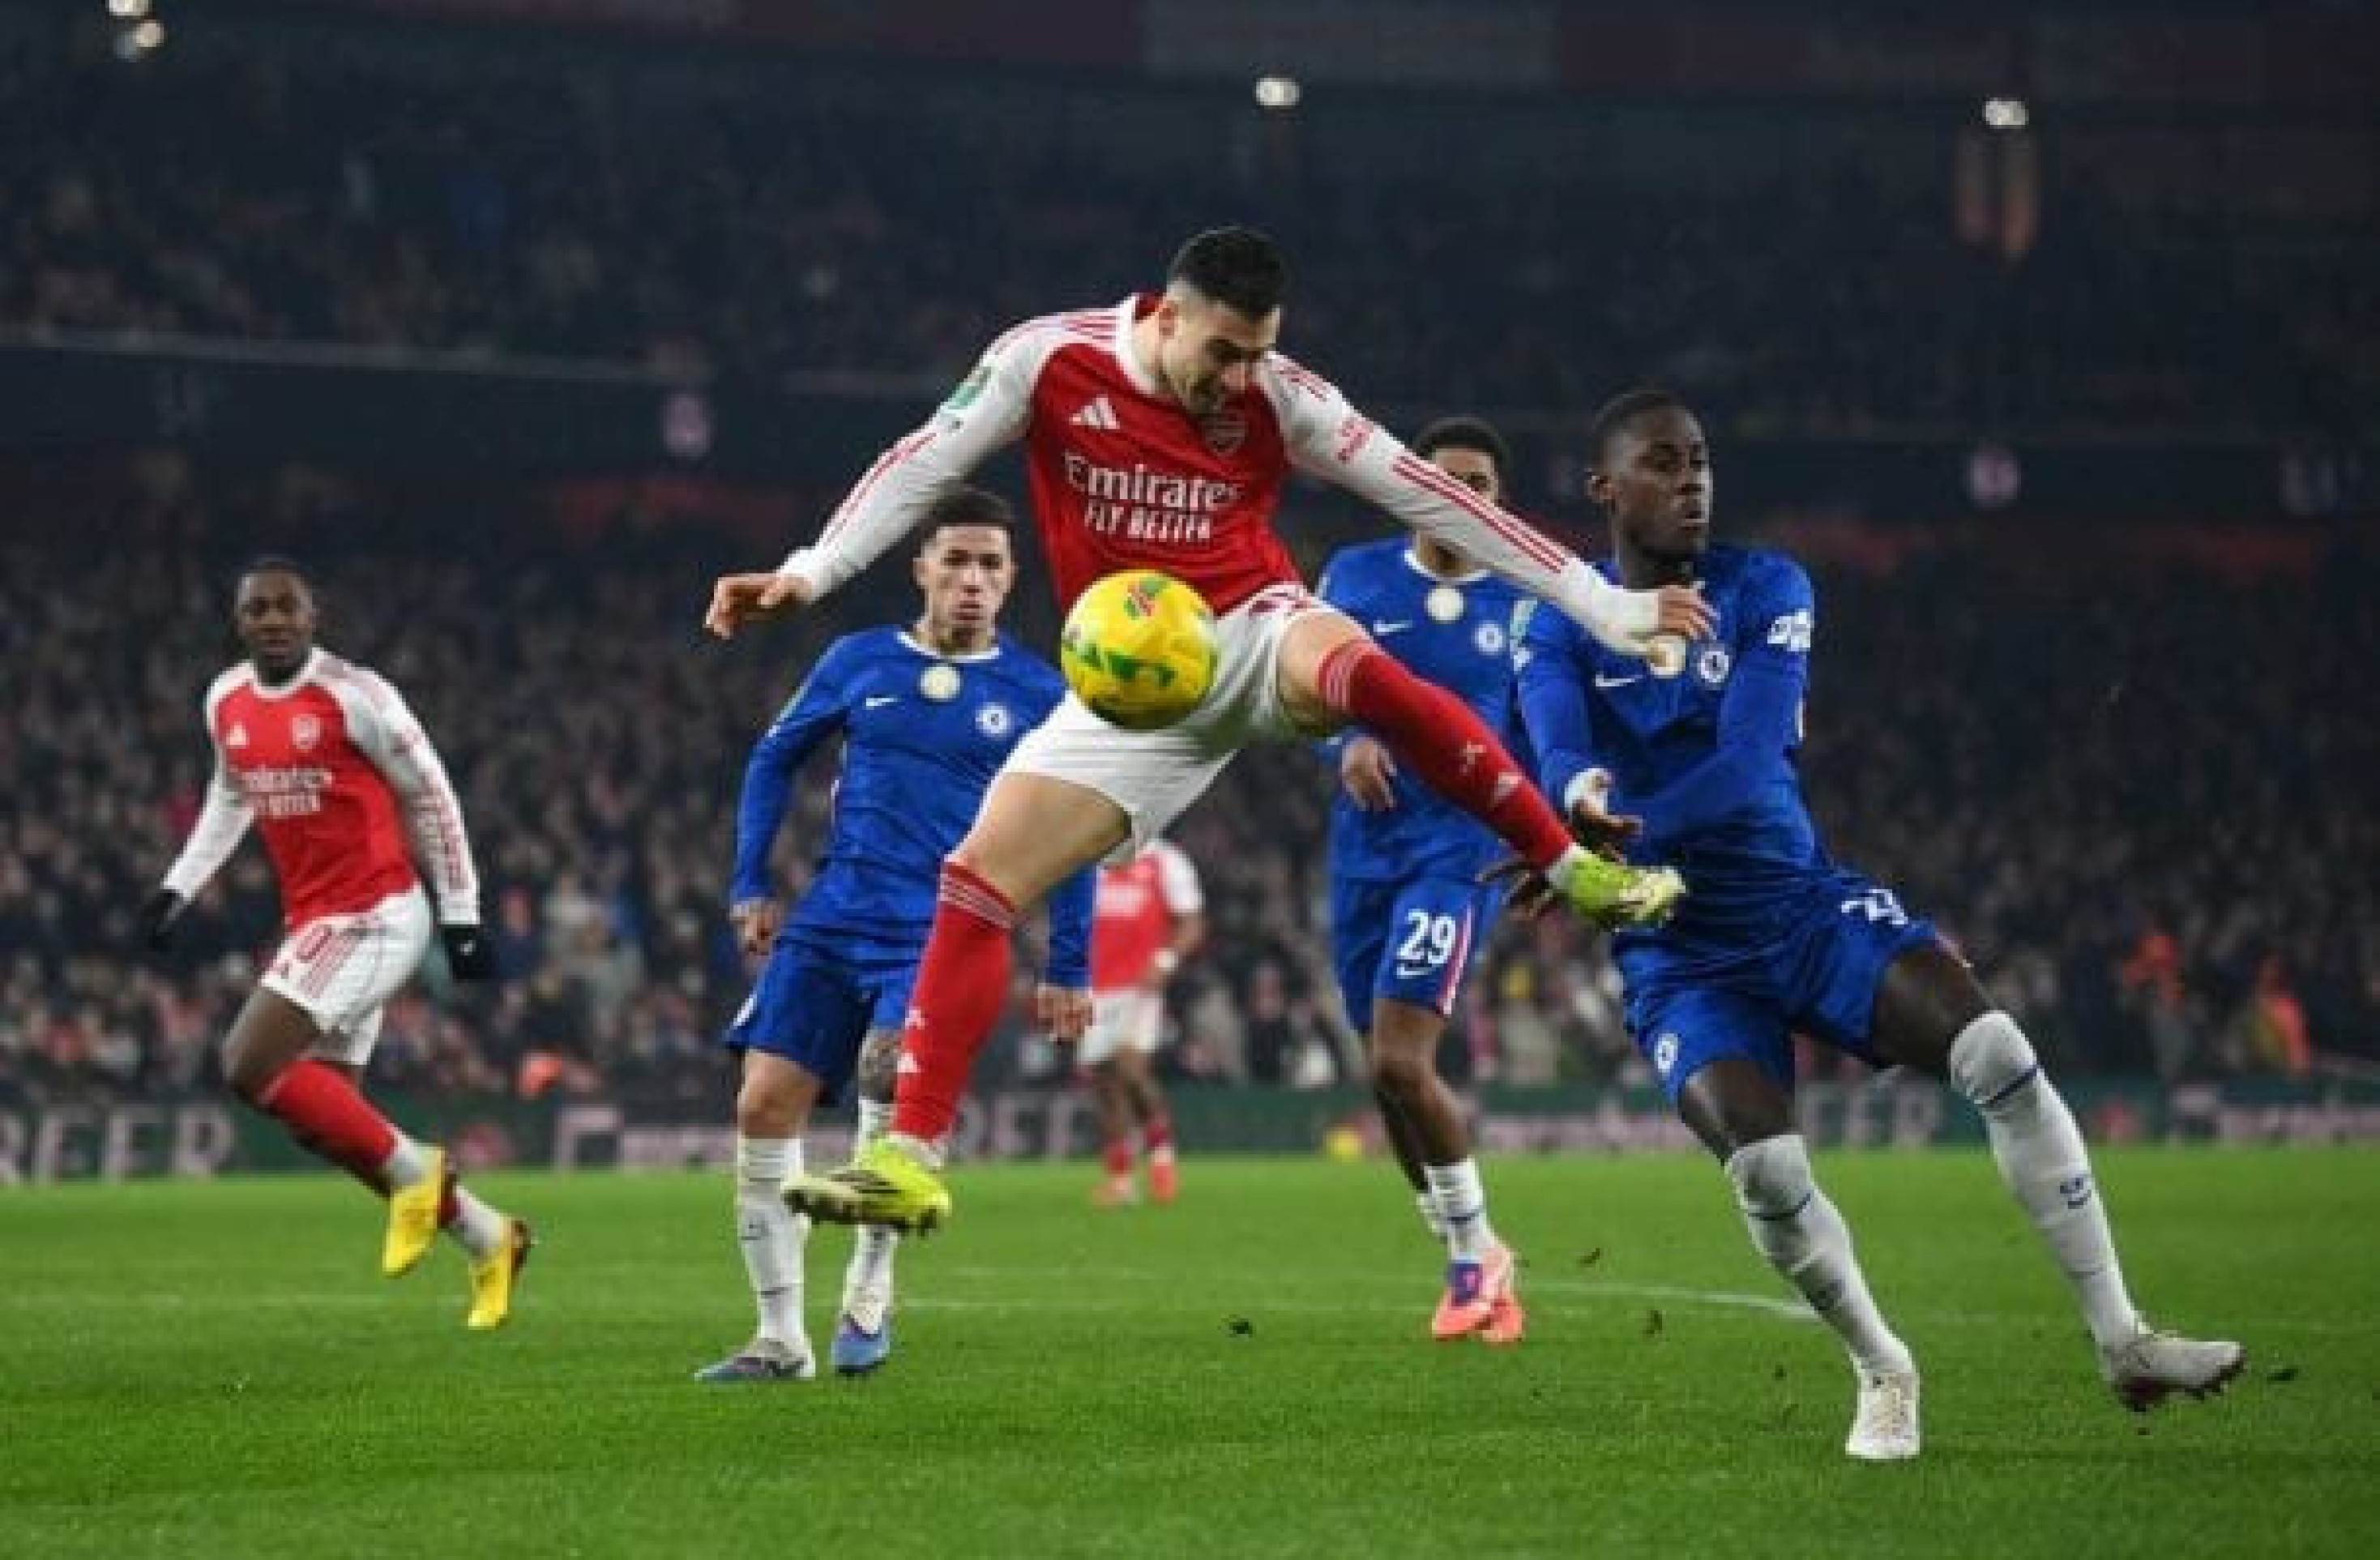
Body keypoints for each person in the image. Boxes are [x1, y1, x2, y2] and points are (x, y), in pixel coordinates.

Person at [705, 226, 1713, 1233]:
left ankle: (1578, 868)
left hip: (1250, 623)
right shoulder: (1049, 358)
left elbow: (1429, 490)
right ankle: (910, 1156)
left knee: (1368, 675)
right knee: (975, 877)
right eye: (1223, 353)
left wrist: (1604, 601)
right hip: (1128, 684)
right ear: (1166, 314)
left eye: (1258, 353)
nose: (1239, 377)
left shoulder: (1285, 397)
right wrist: (814, 569)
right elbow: (922, 461)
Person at [1513, 389, 2242, 1460]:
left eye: (1702, 459)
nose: (1693, 480)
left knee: (1996, 1050)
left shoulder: (1766, 586)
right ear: (1604, 488)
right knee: (1762, 1171)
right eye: (1663, 463)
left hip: (1798, 903)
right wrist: (1572, 815)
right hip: (1678, 955)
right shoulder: (1555, 619)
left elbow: (1750, 763)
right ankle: (1881, 1368)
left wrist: (1615, 835)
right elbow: (1560, 749)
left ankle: (2122, 1336)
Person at [699, 489, 1094, 1382]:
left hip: (943, 930)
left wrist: (1070, 962)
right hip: (835, 913)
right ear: (920, 568)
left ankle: (869, 1291)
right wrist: (750, 882)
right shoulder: (858, 659)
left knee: (889, 1080)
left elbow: (1080, 828)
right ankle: (779, 1338)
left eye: (991, 565)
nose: (972, 580)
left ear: (1011, 580)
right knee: (762, 1103)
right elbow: (773, 756)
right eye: (955, 560)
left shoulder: (1039, 691)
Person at [143, 558, 529, 1330]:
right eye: (258, 609)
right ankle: (490, 1235)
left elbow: (433, 797)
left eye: (288, 607)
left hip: (378, 911)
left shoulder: (358, 695)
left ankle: (422, 1171)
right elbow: (229, 796)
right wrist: (178, 885)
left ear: (312, 616)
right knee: (326, 1118)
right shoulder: (227, 699)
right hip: (317, 918)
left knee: (248, 1064)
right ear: (239, 620)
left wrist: (462, 917)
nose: (274, 620)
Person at [1316, 415, 1529, 1346]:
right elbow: (1304, 684)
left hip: (1457, 853)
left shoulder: (1528, 602)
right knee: (1385, 1078)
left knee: (1404, 1061)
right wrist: (1345, 739)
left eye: (1478, 482)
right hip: (1361, 851)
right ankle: (1477, 1250)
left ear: (1497, 498)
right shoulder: (1354, 579)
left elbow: (1552, 731)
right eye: (1441, 479)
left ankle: (1473, 1254)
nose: (1459, 495)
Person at [1080, 837, 1205, 1207]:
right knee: (1105, 1082)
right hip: (1094, 988)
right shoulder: (1091, 861)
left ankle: (1162, 1159)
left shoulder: (1166, 860)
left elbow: (1192, 921)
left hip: (1139, 987)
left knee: (1130, 1068)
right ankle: (1121, 1179)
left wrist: (1166, 960)